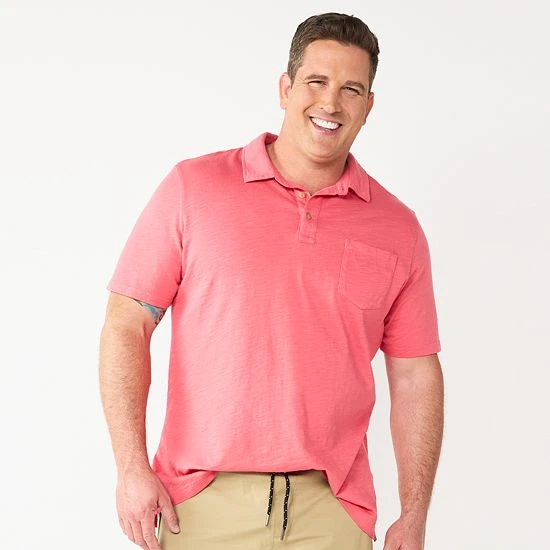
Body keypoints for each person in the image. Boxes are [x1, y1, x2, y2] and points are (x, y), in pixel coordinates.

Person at [99, 11, 444, 550]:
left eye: (351, 89)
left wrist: (414, 511)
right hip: (199, 506)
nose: (331, 103)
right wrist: (130, 468)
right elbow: (127, 323)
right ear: (285, 89)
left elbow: (415, 374)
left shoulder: (398, 228)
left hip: (332, 513)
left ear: (369, 106)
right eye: (316, 81)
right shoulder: (195, 189)